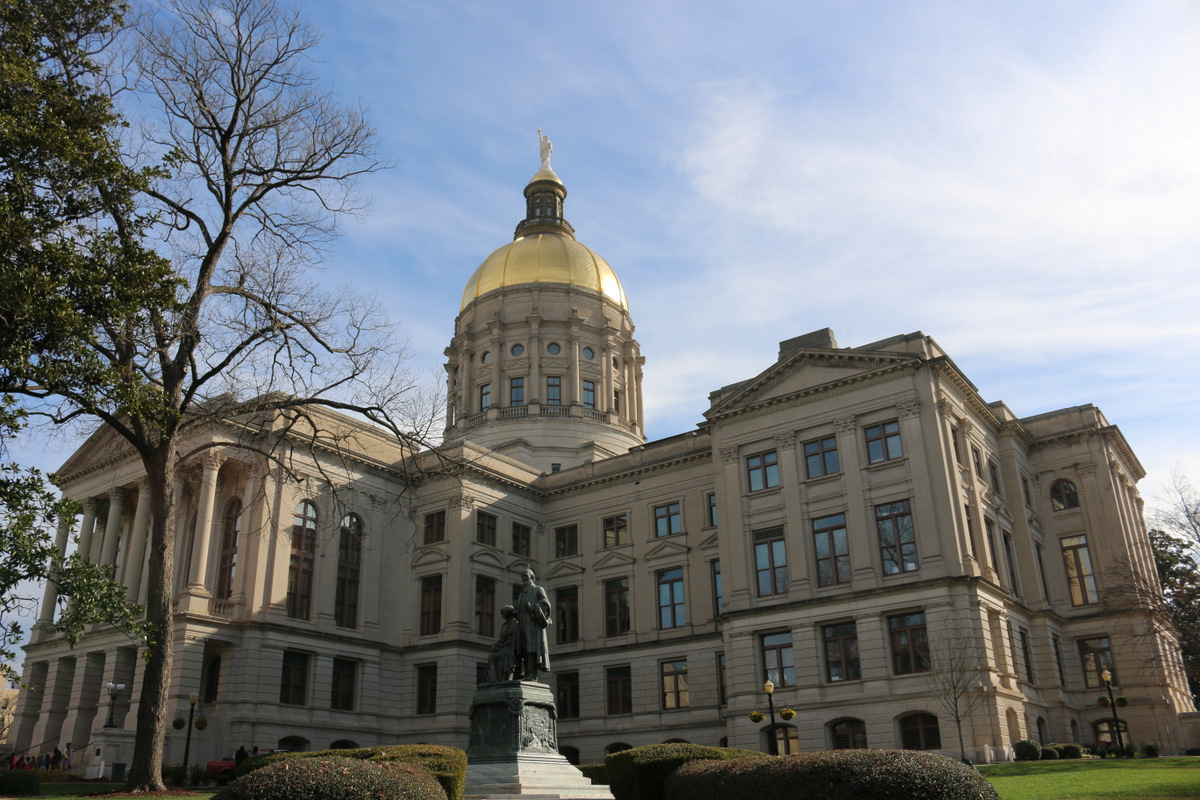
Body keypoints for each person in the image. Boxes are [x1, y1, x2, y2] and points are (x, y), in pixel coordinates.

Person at [515, 567, 551, 681]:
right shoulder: (521, 594)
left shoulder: (538, 590)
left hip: (533, 625)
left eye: (526, 576)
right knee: (524, 649)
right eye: (523, 577)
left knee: (531, 649)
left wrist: (534, 609)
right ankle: (526, 673)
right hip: (522, 625)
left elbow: (546, 605)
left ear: (532, 577)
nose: (524, 578)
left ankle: (532, 674)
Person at [486, 605, 522, 682]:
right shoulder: (504, 626)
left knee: (504, 654)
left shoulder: (516, 624)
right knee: (491, 656)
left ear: (508, 614)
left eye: (503, 613)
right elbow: (502, 639)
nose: (502, 615)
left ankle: (504, 677)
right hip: (504, 646)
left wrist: (501, 645)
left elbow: (515, 639)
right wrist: (496, 645)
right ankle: (494, 678)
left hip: (513, 647)